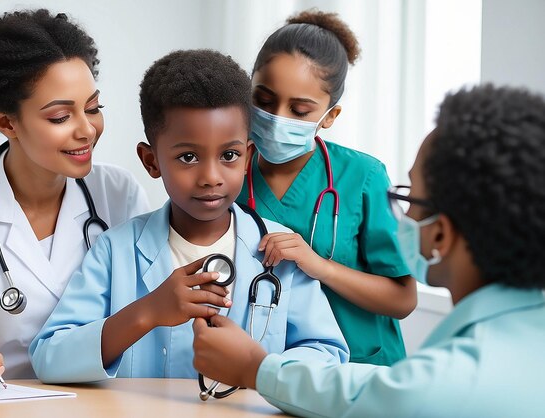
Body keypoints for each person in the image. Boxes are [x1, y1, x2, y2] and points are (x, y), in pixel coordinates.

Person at [193, 84, 545, 417]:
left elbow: (392, 394)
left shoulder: (458, 381)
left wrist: (256, 368)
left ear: (440, 235)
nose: (404, 216)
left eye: (410, 199)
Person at [29, 49, 348, 384]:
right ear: (151, 161)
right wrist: (147, 312)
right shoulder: (115, 251)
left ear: (246, 157)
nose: (211, 176)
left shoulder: (278, 252)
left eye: (229, 155)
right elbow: (50, 358)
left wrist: (258, 367)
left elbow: (327, 352)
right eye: (188, 157)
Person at [0, 9, 149, 389]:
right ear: (7, 123)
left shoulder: (119, 195)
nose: (87, 129)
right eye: (61, 117)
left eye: (93, 108)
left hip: (105, 401)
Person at [237, 9, 416, 366]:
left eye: (300, 110)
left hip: (360, 371)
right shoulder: (229, 174)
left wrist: (319, 265)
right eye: (264, 101)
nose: (278, 119)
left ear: (329, 116)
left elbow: (403, 299)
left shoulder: (363, 177)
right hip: (269, 369)